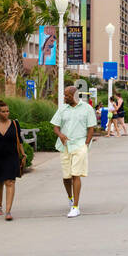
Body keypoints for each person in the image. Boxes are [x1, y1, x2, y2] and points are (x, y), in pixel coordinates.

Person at [50, 85, 98, 218]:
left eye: (67, 96)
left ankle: (76, 207)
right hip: (65, 146)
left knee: (76, 174)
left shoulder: (86, 108)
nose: (65, 98)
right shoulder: (63, 108)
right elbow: (55, 126)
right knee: (66, 177)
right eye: (64, 95)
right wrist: (60, 135)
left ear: (75, 96)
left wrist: (86, 144)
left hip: (80, 145)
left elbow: (91, 128)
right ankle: (71, 198)